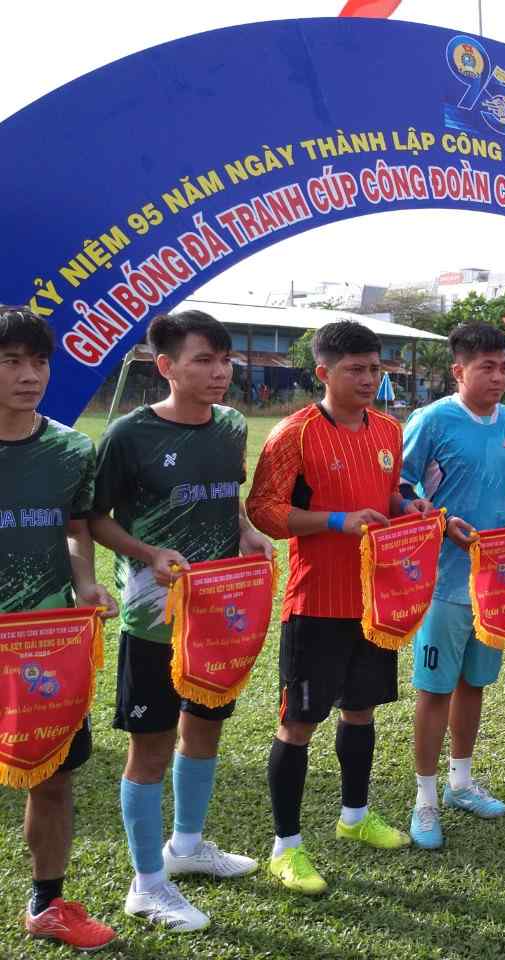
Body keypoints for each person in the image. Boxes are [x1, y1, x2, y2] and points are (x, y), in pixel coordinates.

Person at [90, 311, 268, 931]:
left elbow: (229, 496)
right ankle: (147, 883)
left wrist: (245, 532)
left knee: (206, 729)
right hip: (152, 621)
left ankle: (187, 847)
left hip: (220, 616)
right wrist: (148, 554)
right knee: (150, 748)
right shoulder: (128, 435)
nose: (220, 373)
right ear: (166, 366)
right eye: (203, 360)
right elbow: (95, 519)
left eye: (225, 361)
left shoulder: (230, 426)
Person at [246, 320, 433, 895]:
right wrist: (334, 521)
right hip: (316, 602)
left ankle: (355, 817)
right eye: (355, 369)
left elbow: (387, 495)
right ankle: (286, 849)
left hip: (374, 600)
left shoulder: (387, 429)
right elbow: (265, 511)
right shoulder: (294, 433)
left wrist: (410, 505)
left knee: (362, 710)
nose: (369, 379)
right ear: (322, 372)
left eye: (375, 368)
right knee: (298, 723)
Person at [1, 308, 118, 951]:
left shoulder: (70, 448)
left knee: (53, 774)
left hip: (44, 643)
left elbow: (75, 527)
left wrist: (85, 582)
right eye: (10, 361)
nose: (28, 375)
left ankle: (47, 903)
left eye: (37, 361)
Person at [399, 323, 505, 849]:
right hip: (442, 582)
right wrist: (441, 521)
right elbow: (402, 488)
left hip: (495, 585)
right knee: (434, 690)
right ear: (459, 371)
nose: (499, 377)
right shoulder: (432, 420)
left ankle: (460, 782)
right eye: (487, 367)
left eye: (503, 367)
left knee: (473, 684)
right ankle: (425, 799)